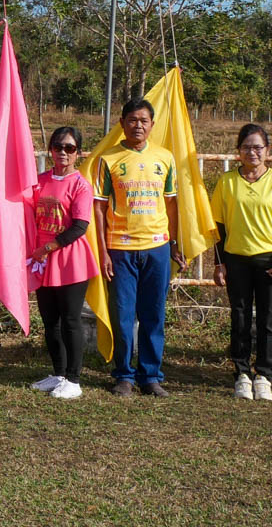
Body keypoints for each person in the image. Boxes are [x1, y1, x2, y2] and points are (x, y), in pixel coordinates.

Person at [210, 123, 272, 402]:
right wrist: (219, 263)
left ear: (268, 150)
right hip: (236, 259)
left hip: (269, 262)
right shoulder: (227, 182)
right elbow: (218, 226)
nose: (252, 152)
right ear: (238, 151)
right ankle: (241, 373)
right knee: (239, 318)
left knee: (267, 320)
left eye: (257, 147)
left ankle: (264, 375)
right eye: (246, 147)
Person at [94, 99, 180, 396]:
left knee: (154, 314)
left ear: (152, 125)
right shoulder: (108, 159)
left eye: (144, 120)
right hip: (120, 248)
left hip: (157, 247)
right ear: (122, 123)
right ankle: (124, 375)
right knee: (123, 316)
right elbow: (99, 207)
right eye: (132, 120)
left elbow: (171, 203)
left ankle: (151, 376)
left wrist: (174, 243)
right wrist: (103, 250)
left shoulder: (165, 158)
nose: (138, 126)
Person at [27, 126, 98, 400]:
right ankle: (58, 373)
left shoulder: (81, 185)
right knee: (50, 321)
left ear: (78, 152)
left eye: (69, 148)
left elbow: (79, 226)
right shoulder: (39, 181)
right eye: (58, 147)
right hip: (43, 259)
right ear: (50, 150)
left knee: (70, 320)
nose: (63, 152)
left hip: (69, 259)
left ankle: (74, 379)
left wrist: (49, 247)